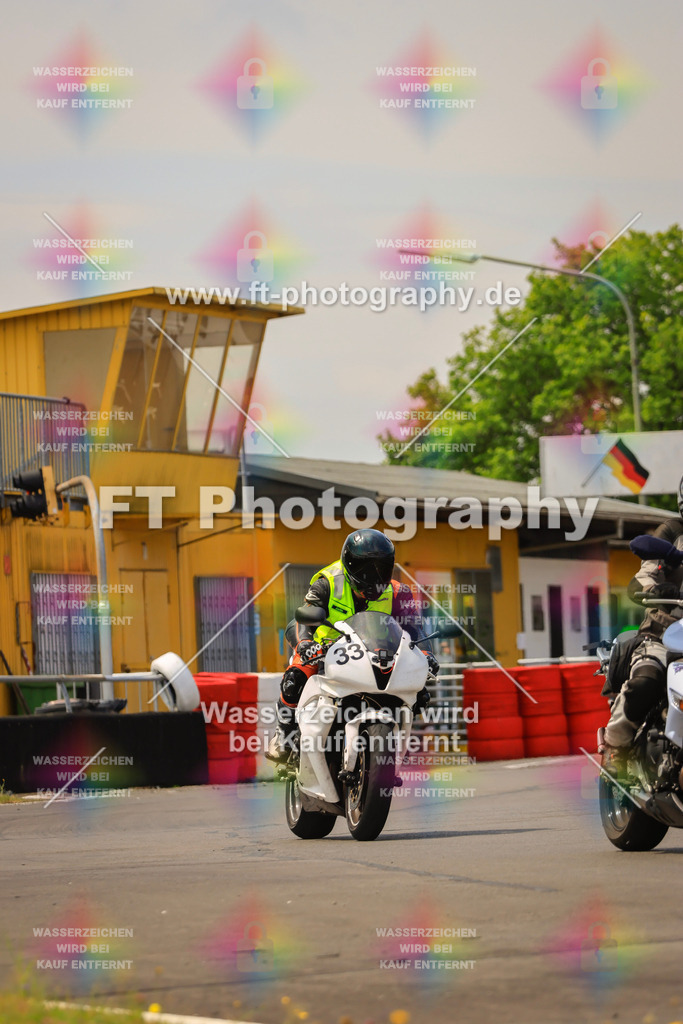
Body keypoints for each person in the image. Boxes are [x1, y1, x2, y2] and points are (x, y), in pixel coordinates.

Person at [266, 528, 438, 762]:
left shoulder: (398, 592)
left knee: (419, 691)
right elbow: (304, 618)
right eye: (365, 567)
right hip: (325, 650)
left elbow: (415, 629)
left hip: (376, 654)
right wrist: (305, 644)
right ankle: (283, 733)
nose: (374, 575)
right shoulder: (327, 583)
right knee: (295, 677)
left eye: (381, 567)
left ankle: (397, 739)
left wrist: (426, 655)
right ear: (348, 563)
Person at [603, 475, 683, 766]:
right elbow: (644, 576)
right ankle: (616, 746)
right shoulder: (672, 532)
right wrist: (656, 590)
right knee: (646, 681)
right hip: (665, 634)